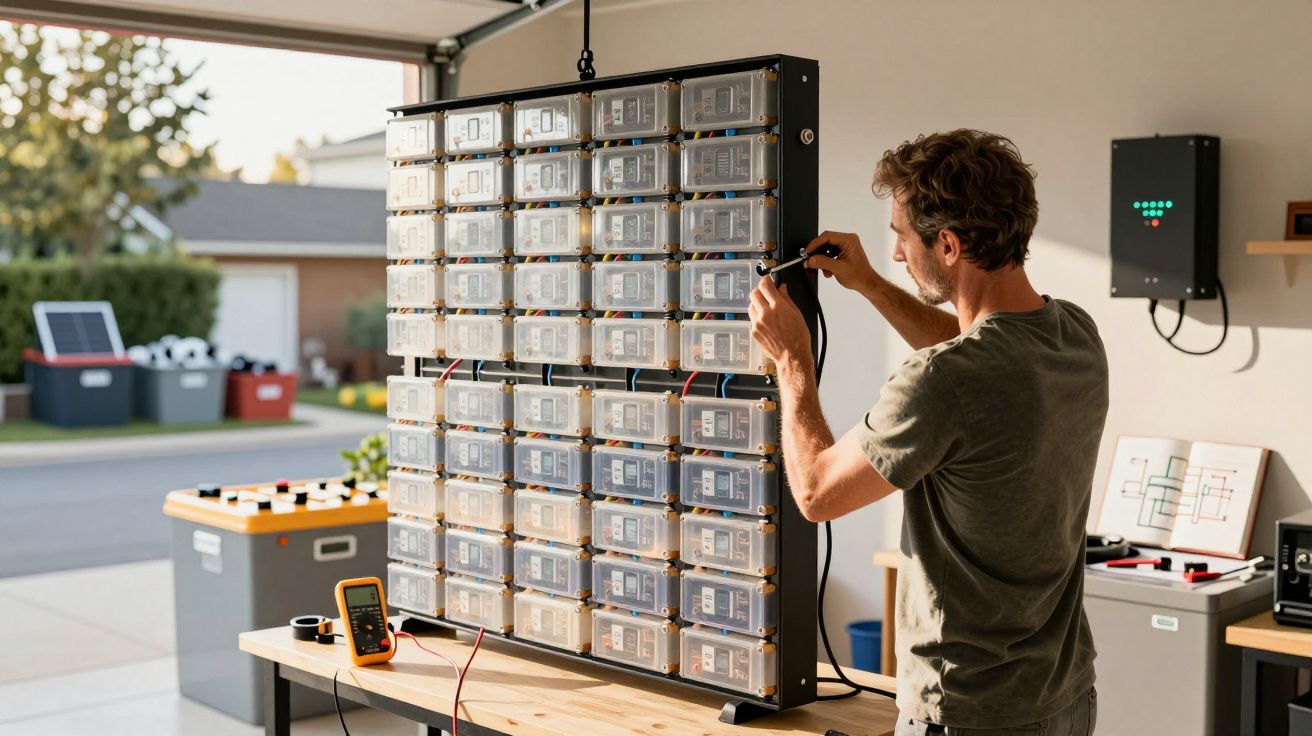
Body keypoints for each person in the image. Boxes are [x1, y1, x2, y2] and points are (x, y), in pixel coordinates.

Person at [747, 129, 1107, 735]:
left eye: (900, 237)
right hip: (1064, 697)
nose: (894, 254)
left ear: (946, 244)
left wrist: (792, 363)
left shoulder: (940, 382)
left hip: (968, 713)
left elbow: (814, 493)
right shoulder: (1073, 334)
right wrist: (868, 284)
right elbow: (973, 356)